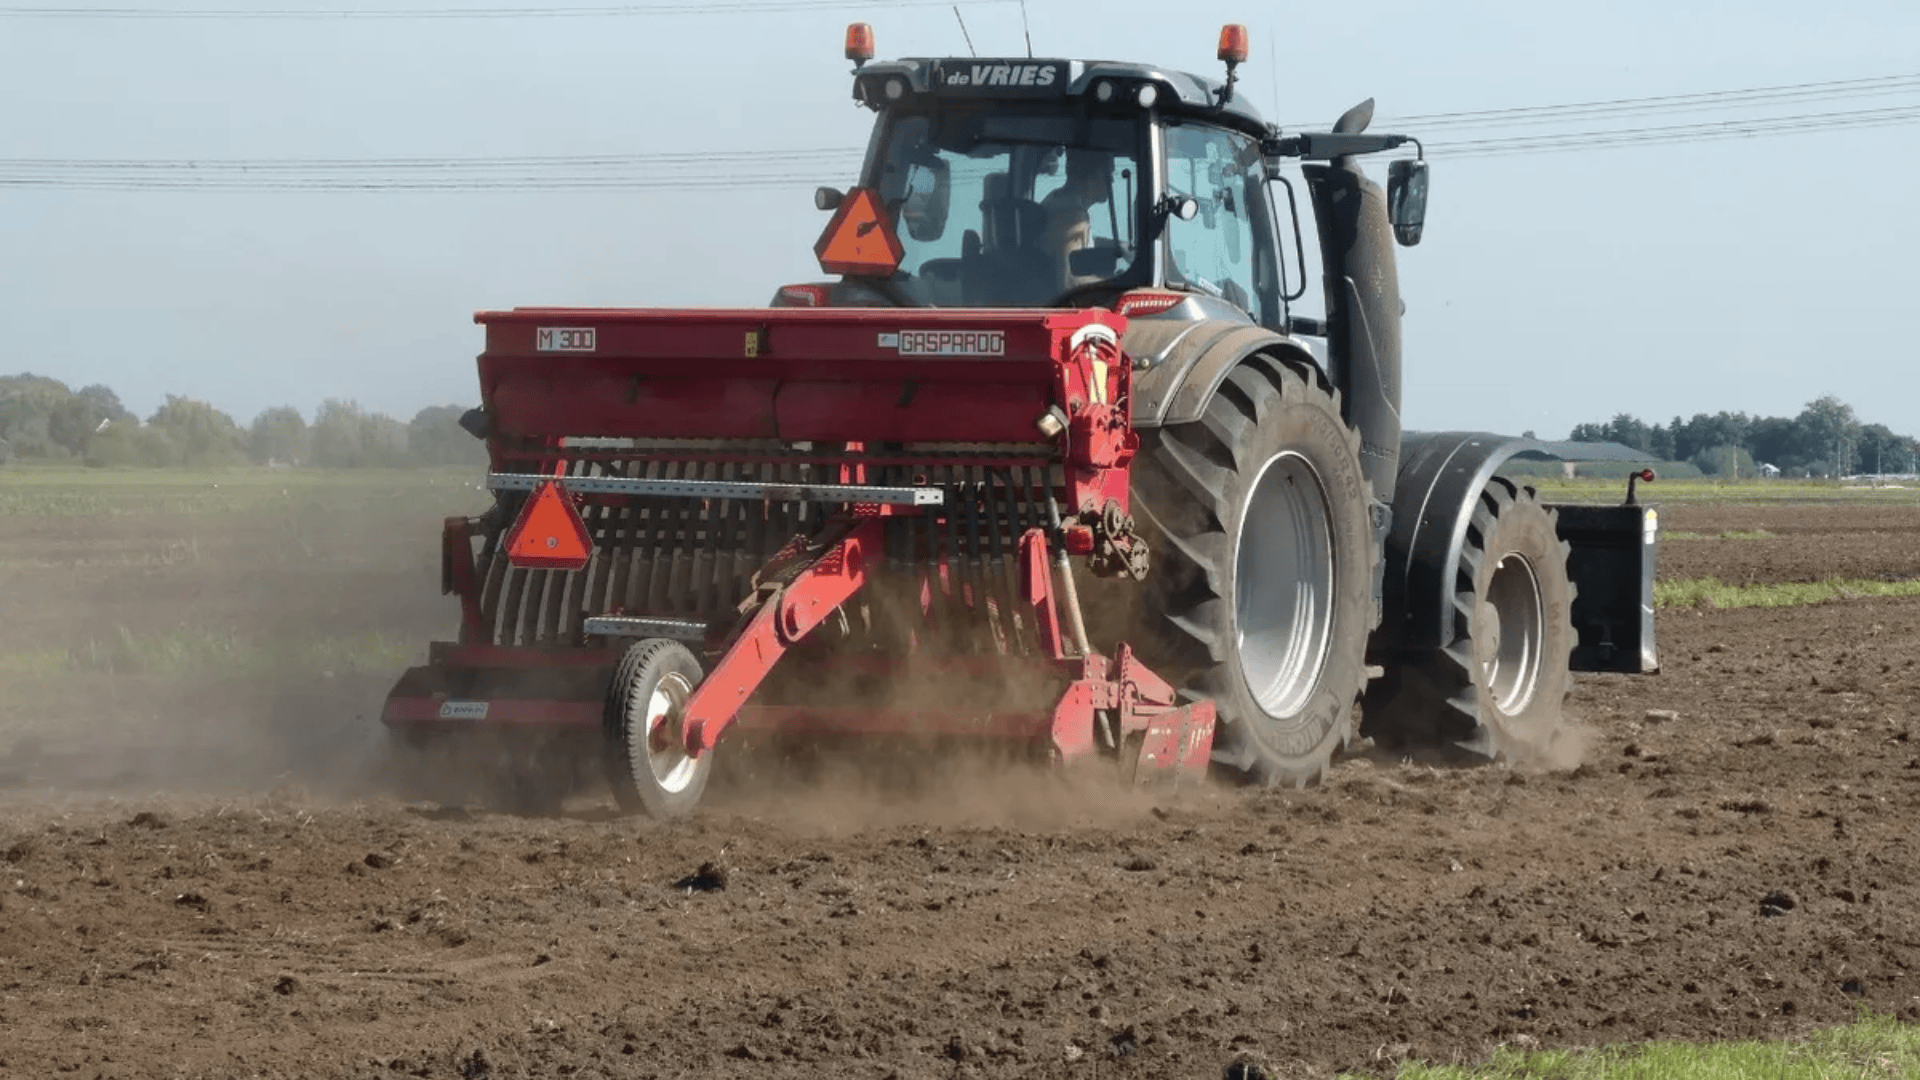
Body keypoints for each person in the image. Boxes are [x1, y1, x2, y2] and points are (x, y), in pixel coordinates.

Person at [1038, 148, 1115, 296]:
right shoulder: (1072, 218)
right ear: (1091, 176)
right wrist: (1115, 282)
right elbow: (1068, 282)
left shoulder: (1056, 198)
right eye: (1108, 173)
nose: (1112, 180)